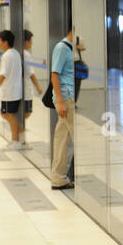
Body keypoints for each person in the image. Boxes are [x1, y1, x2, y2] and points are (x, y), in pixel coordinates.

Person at [48, 27, 77, 188]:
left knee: (63, 139)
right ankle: (61, 177)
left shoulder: (71, 49)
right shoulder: (62, 48)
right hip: (66, 99)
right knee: (75, 138)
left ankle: (58, 178)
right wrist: (59, 101)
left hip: (67, 97)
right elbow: (54, 75)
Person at [0, 29, 26, 150]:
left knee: (8, 114)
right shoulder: (15, 53)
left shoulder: (6, 56)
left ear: (5, 42)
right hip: (16, 90)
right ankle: (20, 137)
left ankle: (16, 140)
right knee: (7, 114)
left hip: (9, 92)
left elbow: (3, 74)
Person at [23, 30, 44, 131]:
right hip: (26, 90)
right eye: (31, 41)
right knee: (26, 112)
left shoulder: (19, 52)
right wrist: (38, 86)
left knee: (25, 113)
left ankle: (18, 133)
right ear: (26, 42)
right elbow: (31, 74)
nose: (31, 43)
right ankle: (19, 135)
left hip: (21, 89)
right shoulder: (26, 54)